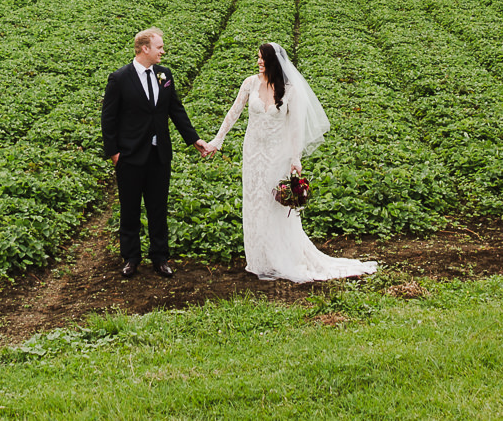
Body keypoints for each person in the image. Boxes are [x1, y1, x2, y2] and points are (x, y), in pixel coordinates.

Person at [203, 41, 378, 282]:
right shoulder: (250, 83)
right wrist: (217, 141)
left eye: (263, 58)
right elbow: (233, 113)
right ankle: (259, 259)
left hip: (278, 154)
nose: (259, 62)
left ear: (274, 61)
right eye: (258, 57)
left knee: (275, 206)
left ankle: (281, 256)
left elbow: (295, 128)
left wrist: (295, 158)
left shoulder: (289, 90)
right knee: (254, 203)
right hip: (253, 153)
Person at [100, 27, 208, 278]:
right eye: (159, 47)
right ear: (144, 48)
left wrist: (194, 140)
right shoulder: (119, 78)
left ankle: (160, 257)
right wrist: (115, 153)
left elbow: (176, 110)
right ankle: (131, 258)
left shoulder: (164, 74)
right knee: (129, 209)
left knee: (158, 208)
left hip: (160, 155)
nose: (163, 51)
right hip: (130, 155)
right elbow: (109, 118)